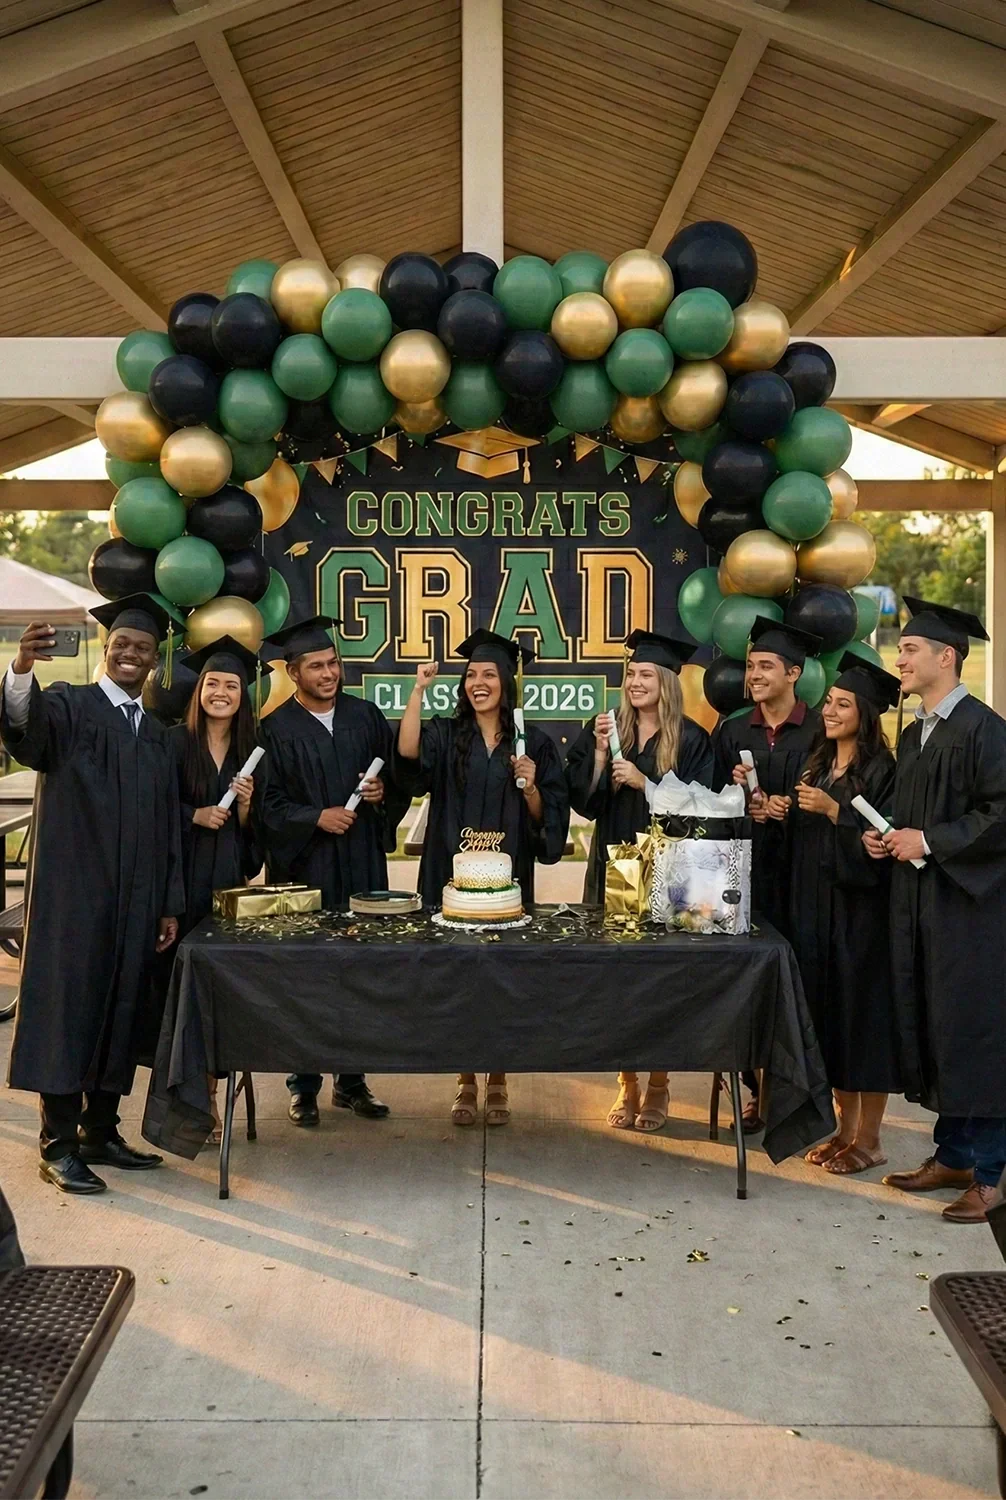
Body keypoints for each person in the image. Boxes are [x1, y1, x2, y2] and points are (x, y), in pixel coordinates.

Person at [0, 596, 183, 1194]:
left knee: (121, 1008)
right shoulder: (68, 707)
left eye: (143, 649)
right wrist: (22, 670)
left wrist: (168, 903)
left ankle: (100, 1132)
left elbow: (167, 826)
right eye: (122, 645)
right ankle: (57, 1144)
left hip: (136, 903)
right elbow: (23, 733)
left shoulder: (155, 736)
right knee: (69, 1011)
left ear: (155, 661)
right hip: (73, 901)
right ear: (107, 650)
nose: (131, 655)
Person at [863, 598, 1006, 1224]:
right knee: (938, 1023)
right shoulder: (917, 730)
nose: (900, 657)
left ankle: (993, 1174)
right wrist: (890, 834)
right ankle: (952, 1155)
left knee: (977, 1032)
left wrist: (930, 841)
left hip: (972, 911)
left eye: (911, 649)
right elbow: (917, 815)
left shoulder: (984, 728)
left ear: (946, 657)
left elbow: (1000, 813)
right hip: (922, 903)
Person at [395, 629, 569, 1128]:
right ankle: (465, 1080)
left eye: (489, 674)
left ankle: (498, 1078)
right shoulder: (449, 734)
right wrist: (418, 690)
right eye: (471, 675)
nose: (478, 683)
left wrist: (532, 786)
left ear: (507, 683)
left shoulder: (530, 741)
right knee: (459, 980)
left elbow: (545, 817)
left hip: (507, 883)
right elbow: (408, 753)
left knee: (503, 980)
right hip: (451, 874)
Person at [261, 614, 409, 1128]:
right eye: (316, 666)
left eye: (333, 664)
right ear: (292, 672)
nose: (328, 673)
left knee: (361, 971)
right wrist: (314, 817)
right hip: (306, 871)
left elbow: (396, 781)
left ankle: (352, 1081)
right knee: (305, 975)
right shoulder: (275, 730)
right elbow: (266, 807)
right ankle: (303, 1086)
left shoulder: (365, 716)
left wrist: (381, 794)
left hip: (362, 862)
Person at [564, 628, 713, 1133]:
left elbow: (704, 813)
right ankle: (625, 1083)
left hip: (669, 873)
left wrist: (646, 785)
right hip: (615, 868)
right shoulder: (604, 727)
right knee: (619, 978)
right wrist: (603, 757)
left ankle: (660, 1084)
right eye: (630, 674)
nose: (635, 681)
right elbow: (583, 804)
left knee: (661, 978)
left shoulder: (692, 739)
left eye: (646, 674)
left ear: (667, 682)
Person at [790, 653, 901, 1175]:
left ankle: (871, 1139)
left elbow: (882, 845)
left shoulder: (883, 771)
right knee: (832, 1022)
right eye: (829, 702)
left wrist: (834, 811)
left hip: (861, 915)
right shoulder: (817, 762)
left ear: (867, 714)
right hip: (817, 909)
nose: (830, 711)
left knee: (864, 1025)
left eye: (843, 704)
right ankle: (843, 1129)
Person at [712, 617, 822, 1128]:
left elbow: (839, 796)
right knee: (750, 986)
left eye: (765, 667)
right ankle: (760, 1092)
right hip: (748, 876)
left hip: (808, 876)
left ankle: (808, 1096)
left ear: (794, 673)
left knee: (806, 983)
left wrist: (789, 809)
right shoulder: (733, 730)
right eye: (751, 666)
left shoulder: (821, 729)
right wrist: (740, 799)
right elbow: (710, 806)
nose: (754, 675)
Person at [166, 635, 269, 1141]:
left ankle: (208, 1093)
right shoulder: (173, 743)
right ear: (199, 689)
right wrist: (194, 814)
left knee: (217, 997)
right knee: (181, 999)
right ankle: (190, 1100)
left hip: (226, 885)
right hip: (181, 884)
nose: (221, 692)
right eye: (212, 683)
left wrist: (245, 809)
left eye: (231, 684)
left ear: (243, 695)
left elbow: (255, 840)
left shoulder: (252, 753)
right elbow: (154, 813)